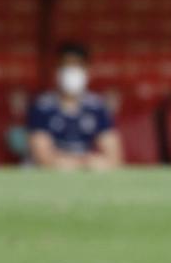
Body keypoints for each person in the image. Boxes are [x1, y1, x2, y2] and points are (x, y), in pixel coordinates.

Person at [27, 42, 121, 171]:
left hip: (81, 175)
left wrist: (94, 163)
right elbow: (43, 157)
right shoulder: (43, 107)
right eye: (66, 65)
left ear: (88, 71)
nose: (71, 71)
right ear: (56, 71)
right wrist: (82, 163)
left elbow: (114, 156)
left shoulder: (96, 107)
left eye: (77, 65)